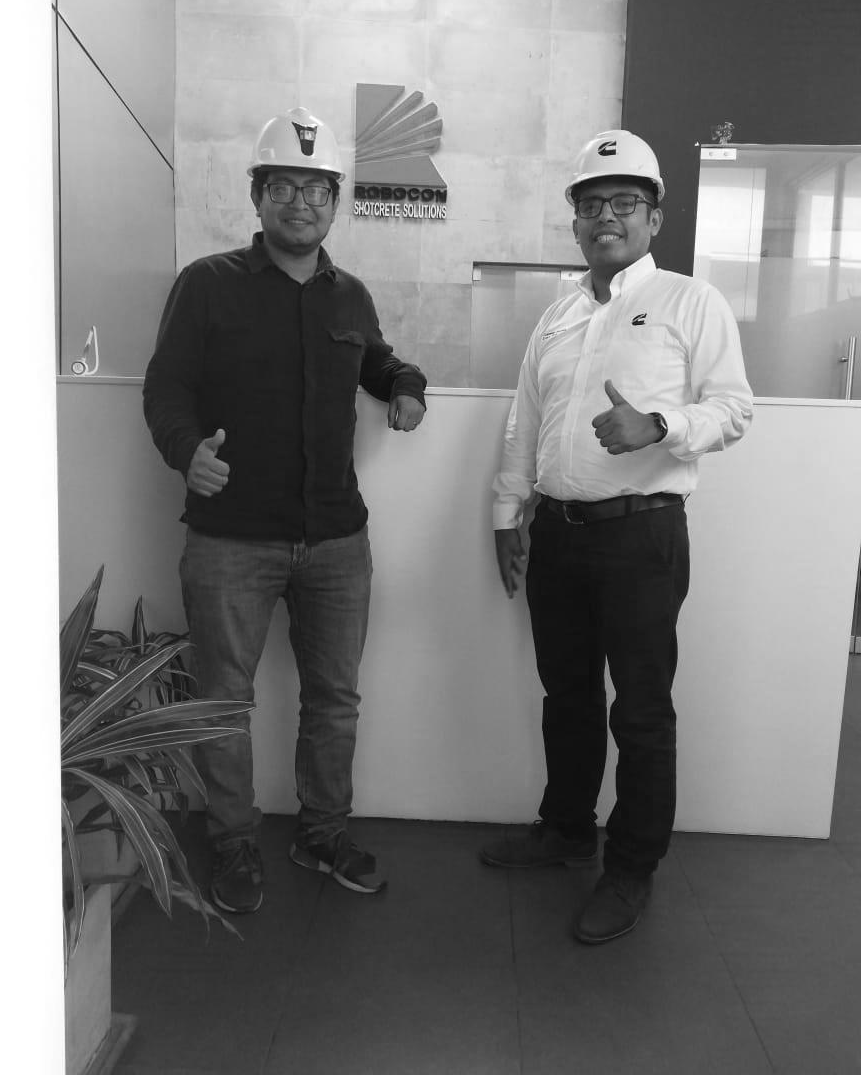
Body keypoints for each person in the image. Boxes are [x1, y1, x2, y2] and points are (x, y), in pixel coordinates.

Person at [143, 107, 426, 914]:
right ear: (258, 196)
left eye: (316, 189)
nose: (301, 203)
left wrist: (406, 387)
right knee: (223, 702)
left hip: (336, 538)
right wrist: (186, 450)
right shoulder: (207, 284)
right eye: (284, 187)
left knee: (335, 699)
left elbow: (377, 361)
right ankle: (233, 841)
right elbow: (166, 388)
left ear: (335, 201)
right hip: (231, 538)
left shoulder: (350, 296)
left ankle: (322, 833)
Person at [479, 130, 753, 944]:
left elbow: (734, 408)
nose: (606, 217)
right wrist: (507, 514)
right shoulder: (558, 316)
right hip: (558, 536)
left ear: (653, 217)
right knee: (566, 695)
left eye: (624, 202)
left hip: (642, 538)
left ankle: (631, 866)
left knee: (639, 709)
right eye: (591, 204)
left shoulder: (690, 302)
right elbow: (525, 421)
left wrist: (658, 425)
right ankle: (568, 829)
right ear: (575, 221)